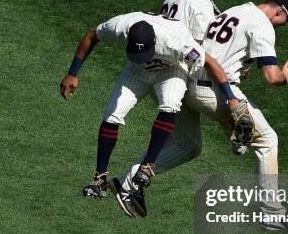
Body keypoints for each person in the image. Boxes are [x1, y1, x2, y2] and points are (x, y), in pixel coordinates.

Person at [113, 0, 288, 233]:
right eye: (285, 21)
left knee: (188, 145)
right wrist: (285, 77)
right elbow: (271, 76)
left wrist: (241, 64)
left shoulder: (235, 10)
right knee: (267, 140)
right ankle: (271, 212)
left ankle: (126, 183)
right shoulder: (263, 25)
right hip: (214, 91)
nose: (282, 25)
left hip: (184, 82)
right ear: (280, 11)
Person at [59, 11, 239, 207]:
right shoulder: (121, 26)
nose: (143, 57)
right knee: (112, 114)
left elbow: (209, 62)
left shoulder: (179, 43)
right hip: (139, 71)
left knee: (170, 105)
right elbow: (92, 35)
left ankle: (147, 165)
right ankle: (99, 180)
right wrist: (72, 73)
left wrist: (230, 97)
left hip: (172, 68)